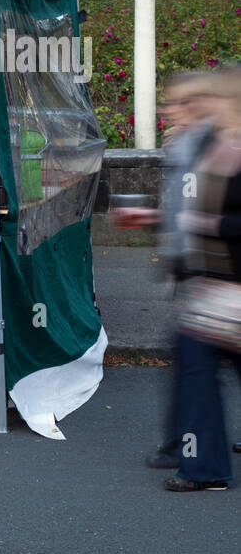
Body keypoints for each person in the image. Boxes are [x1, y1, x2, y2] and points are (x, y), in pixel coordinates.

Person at [114, 72, 220, 469]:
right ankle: (187, 449)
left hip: (209, 271)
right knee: (195, 366)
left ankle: (190, 454)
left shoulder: (207, 144)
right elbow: (184, 210)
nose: (167, 110)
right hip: (200, 269)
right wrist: (153, 217)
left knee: (193, 367)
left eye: (176, 104)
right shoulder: (190, 143)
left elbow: (201, 212)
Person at [163, 69, 241, 491]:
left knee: (196, 373)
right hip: (212, 285)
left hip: (228, 288)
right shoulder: (217, 143)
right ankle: (200, 464)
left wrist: (211, 223)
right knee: (194, 369)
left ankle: (203, 467)